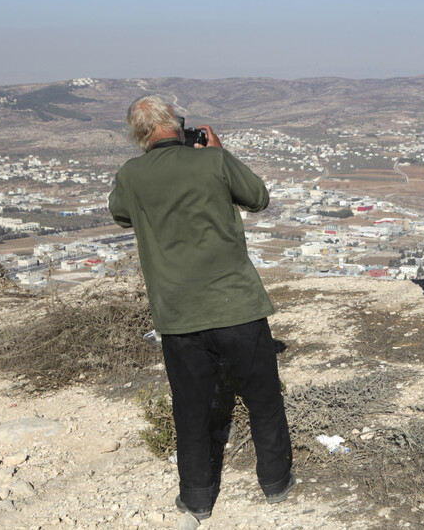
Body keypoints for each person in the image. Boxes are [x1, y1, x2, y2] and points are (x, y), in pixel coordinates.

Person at [108, 95, 295, 519]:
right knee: (263, 398)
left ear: (140, 134)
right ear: (177, 124)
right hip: (237, 305)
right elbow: (258, 197)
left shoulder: (131, 174)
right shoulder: (213, 161)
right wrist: (219, 153)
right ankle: (276, 482)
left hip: (178, 314)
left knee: (189, 409)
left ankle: (196, 497)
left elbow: (120, 214)